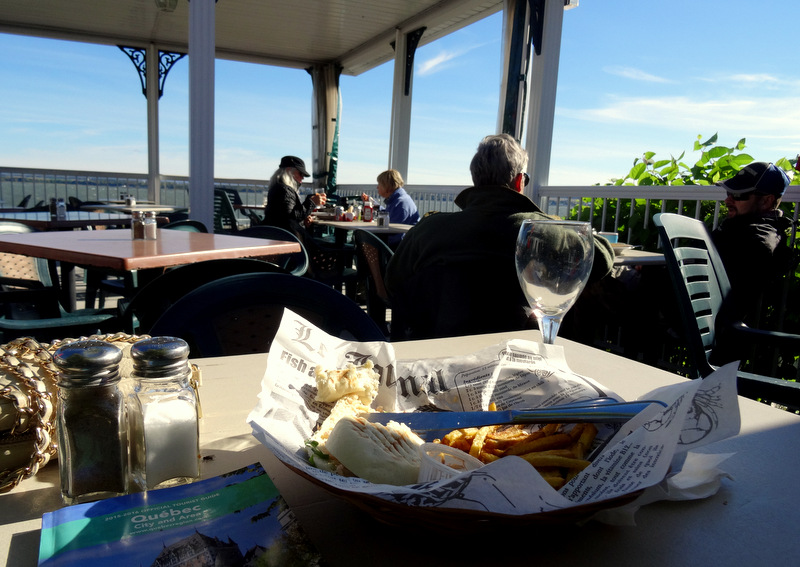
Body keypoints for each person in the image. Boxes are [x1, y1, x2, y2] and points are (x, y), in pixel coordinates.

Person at [384, 134, 614, 341]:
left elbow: (393, 281)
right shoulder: (544, 232)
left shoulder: (428, 229)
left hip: (435, 350)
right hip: (520, 355)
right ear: (519, 181)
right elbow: (602, 257)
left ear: (476, 179)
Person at [711, 162, 794, 330]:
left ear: (766, 201)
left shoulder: (757, 240)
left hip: (708, 328)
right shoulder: (743, 228)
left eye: (738, 195)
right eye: (729, 193)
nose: (727, 200)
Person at [262, 156, 326, 233]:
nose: (302, 178)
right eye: (301, 174)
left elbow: (285, 216)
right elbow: (291, 218)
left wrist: (303, 220)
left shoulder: (278, 187)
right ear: (288, 171)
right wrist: (312, 202)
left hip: (275, 233)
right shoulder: (284, 190)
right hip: (284, 236)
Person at [361, 169, 419, 247]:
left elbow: (393, 232)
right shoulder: (398, 200)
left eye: (379, 184)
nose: (377, 187)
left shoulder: (401, 203)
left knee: (362, 240)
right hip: (402, 244)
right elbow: (388, 215)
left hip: (400, 248)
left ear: (387, 186)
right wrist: (373, 204)